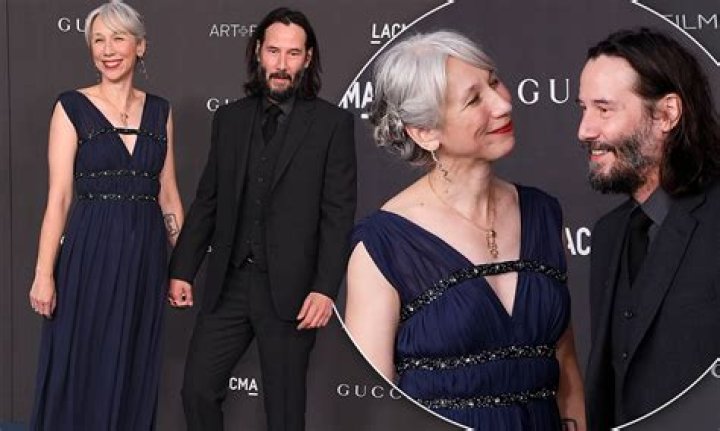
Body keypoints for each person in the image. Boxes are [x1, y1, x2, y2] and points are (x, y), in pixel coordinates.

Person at [344, 30, 585, 430]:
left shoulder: (543, 214)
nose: (503, 104)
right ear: (425, 132)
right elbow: (370, 408)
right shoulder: (384, 244)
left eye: (494, 82)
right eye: (474, 99)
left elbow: (567, 372)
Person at [167, 7, 356, 431]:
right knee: (196, 391)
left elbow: (338, 214)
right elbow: (208, 201)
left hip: (292, 291)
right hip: (230, 284)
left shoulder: (332, 125)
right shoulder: (230, 119)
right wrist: (182, 269)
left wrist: (325, 288)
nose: (281, 64)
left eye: (293, 53)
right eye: (273, 51)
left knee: (284, 414)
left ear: (308, 58)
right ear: (257, 52)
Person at [27, 1, 183, 429]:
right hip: (90, 251)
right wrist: (44, 273)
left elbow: (169, 196)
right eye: (98, 40)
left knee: (133, 360)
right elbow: (59, 197)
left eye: (118, 38)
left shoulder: (160, 111)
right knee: (82, 359)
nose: (108, 50)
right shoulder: (71, 107)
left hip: (145, 258)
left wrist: (182, 269)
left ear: (140, 46)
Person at [578, 27, 720, 429]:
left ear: (667, 114)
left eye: (604, 109)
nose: (584, 130)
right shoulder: (609, 234)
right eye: (583, 109)